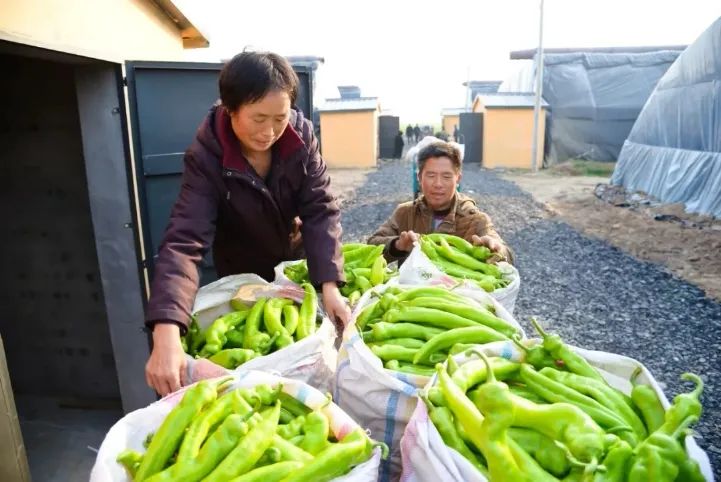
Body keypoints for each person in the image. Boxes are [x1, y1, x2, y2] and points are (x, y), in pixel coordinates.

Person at [144, 51, 350, 396]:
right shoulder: (206, 155)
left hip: (294, 255)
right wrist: (166, 330)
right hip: (238, 264)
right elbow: (184, 239)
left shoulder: (301, 137)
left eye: (280, 118)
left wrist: (329, 284)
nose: (269, 131)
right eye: (258, 119)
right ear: (230, 108)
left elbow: (320, 209)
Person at [368, 140, 513, 263]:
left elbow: (507, 256)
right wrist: (398, 245)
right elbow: (371, 246)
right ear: (419, 178)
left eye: (446, 176)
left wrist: (498, 250)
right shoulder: (405, 213)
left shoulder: (475, 219)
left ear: (458, 179)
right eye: (431, 175)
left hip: (459, 294)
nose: (438, 184)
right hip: (412, 295)